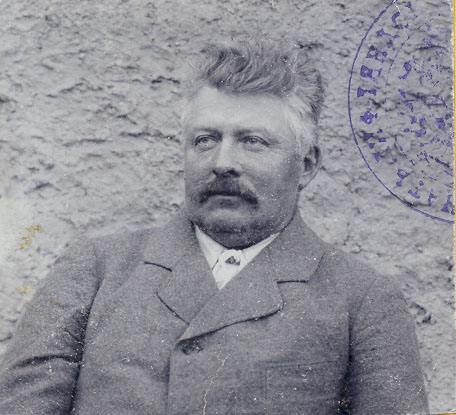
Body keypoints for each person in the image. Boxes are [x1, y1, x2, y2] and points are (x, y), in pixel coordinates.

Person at [0, 41, 429, 415]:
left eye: (252, 141)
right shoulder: (97, 269)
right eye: (205, 140)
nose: (223, 163)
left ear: (307, 164)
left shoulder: (362, 298)